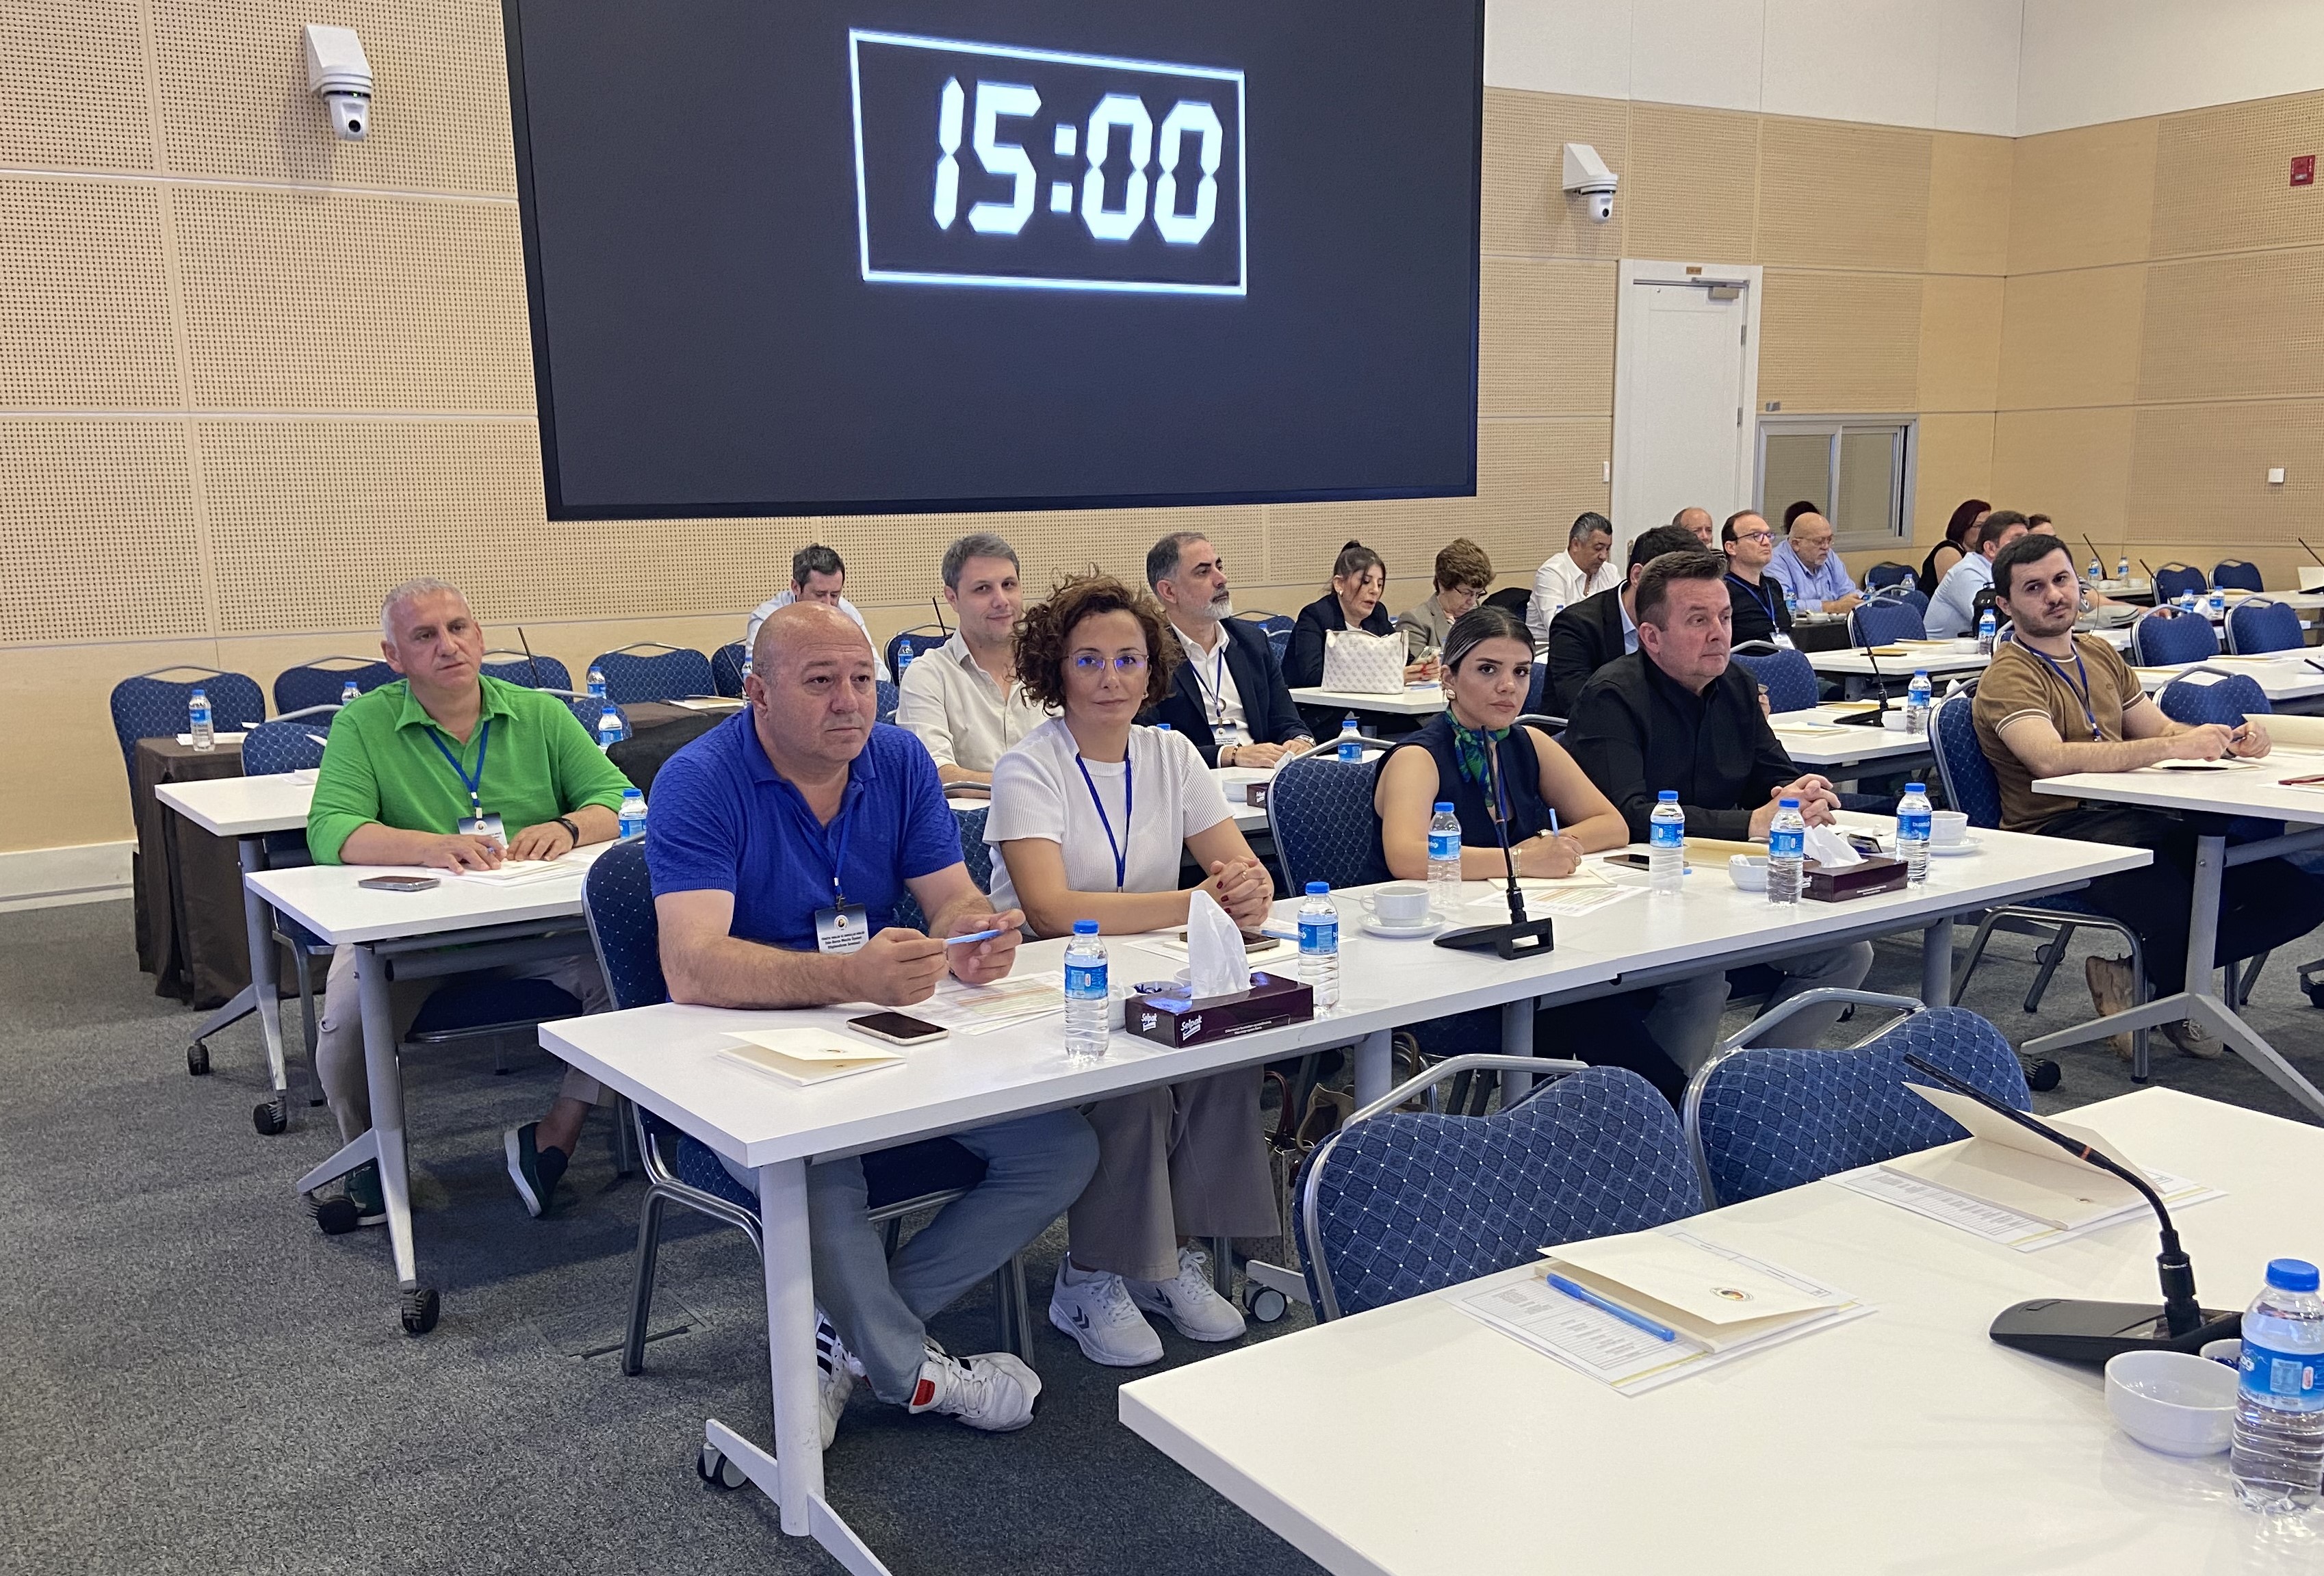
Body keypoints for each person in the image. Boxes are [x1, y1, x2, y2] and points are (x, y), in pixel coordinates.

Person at [646, 602, 1098, 1436]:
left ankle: (849, 1335)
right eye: (821, 681)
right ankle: (911, 1373)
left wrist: (971, 933)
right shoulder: (699, 780)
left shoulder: (897, 759)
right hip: (740, 1048)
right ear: (757, 692)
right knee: (815, 1167)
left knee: (1062, 1148)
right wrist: (847, 974)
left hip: (883, 1027)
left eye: (862, 679)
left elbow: (950, 895)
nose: (850, 701)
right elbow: (692, 964)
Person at [985, 573, 1280, 1368]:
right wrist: (1193, 901)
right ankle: (1088, 1276)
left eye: (1128, 659)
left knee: (1225, 1052)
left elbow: (1238, 868)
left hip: (1148, 973)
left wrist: (1248, 888)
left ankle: (1168, 1255)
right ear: (1056, 668)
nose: (1111, 677)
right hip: (1049, 991)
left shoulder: (1171, 753)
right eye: (1089, 660)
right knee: (1136, 1079)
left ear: (1153, 670)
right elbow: (1051, 909)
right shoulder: (1028, 766)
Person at [305, 580, 630, 1226]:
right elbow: (331, 830)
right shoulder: (363, 725)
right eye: (424, 635)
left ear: (480, 638)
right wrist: (428, 846)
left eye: (458, 628)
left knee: (628, 986)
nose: (447, 646)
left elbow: (617, 799)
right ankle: (370, 1159)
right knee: (345, 1034)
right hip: (409, 937)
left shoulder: (539, 714)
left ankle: (553, 1137)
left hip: (530, 931)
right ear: (394, 656)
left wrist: (568, 827)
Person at [1972, 534, 2324, 1059]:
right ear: (2005, 604)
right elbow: (2048, 758)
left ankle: (2140, 979)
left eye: (2061, 580)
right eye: (2034, 588)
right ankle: (2169, 990)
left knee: (2296, 893)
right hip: (2057, 833)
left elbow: (2158, 728)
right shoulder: (2009, 675)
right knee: (2181, 904)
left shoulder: (2097, 653)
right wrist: (2169, 746)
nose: (2055, 595)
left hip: (2133, 817)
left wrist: (2222, 741)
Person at [1564, 551, 1874, 1072]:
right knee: (1700, 975)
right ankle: (1668, 1106)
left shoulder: (1735, 684)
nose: (1719, 633)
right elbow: (1628, 815)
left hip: (1721, 886)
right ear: (1651, 636)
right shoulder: (1612, 696)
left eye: (1725, 617)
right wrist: (1752, 822)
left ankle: (1745, 1084)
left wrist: (1799, 795)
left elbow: (1773, 774)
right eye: (1698, 620)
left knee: (1846, 953)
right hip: (1639, 893)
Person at [1367, 606, 1692, 1099]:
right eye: (1488, 669)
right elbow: (1407, 856)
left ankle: (1649, 1113)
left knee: (1639, 986)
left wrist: (1557, 847)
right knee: (1589, 1007)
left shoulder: (1528, 743)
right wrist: (1522, 861)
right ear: (1449, 679)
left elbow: (1611, 824)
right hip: (1438, 955)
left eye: (1520, 672)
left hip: (1522, 938)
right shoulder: (1419, 756)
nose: (1508, 686)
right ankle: (1675, 1108)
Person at [1143, 531, 1314, 768]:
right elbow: (1149, 748)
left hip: (1262, 774)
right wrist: (1229, 755)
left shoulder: (1252, 643)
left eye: (1219, 566)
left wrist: (1300, 741)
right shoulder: (1148, 654)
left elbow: (1288, 721)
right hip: (1194, 779)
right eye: (1203, 572)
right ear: (1169, 592)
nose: (1221, 579)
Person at [894, 532, 1046, 784]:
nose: (1001, 601)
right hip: (976, 813)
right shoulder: (928, 676)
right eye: (983, 589)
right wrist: (1026, 786)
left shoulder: (1051, 667)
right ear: (952, 598)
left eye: (1009, 585)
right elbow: (936, 773)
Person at [1541, 523, 1699, 717]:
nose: (1689, 601)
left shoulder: (1686, 623)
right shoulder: (1575, 626)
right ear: (1638, 576)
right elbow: (1584, 707)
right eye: (1680, 589)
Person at [1282, 541, 1433, 691]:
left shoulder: (1377, 614)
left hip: (1368, 704)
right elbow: (1312, 677)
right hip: (1314, 705)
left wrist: (1421, 668)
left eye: (1380, 584)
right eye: (1366, 582)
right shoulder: (1315, 617)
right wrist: (1390, 676)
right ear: (1339, 584)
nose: (1375, 590)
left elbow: (1403, 660)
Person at [745, 544, 891, 680]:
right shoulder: (767, 618)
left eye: (835, 595)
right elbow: (756, 676)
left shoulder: (847, 613)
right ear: (796, 587)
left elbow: (878, 671)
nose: (827, 604)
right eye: (819, 594)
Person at [1927, 510, 2030, 638]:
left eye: (2027, 540)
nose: (2026, 547)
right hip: (1944, 648)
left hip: (1980, 646)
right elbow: (1989, 619)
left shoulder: (2008, 571)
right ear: (1991, 548)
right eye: (2017, 541)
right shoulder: (1967, 572)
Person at [1397, 537, 1495, 662]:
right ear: (1442, 585)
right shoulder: (1416, 621)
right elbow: (1418, 669)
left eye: (1478, 594)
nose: (1472, 601)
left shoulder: (1480, 616)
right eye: (1466, 593)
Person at [1527, 513, 1618, 647]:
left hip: (1597, 649)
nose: (1604, 556)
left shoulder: (1610, 572)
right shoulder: (1551, 573)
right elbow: (1559, 629)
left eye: (1608, 549)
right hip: (1549, 650)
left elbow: (1621, 618)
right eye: (1598, 549)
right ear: (1576, 544)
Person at [1767, 511, 1863, 618]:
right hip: (1797, 627)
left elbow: (1848, 592)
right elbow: (1782, 605)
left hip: (1834, 625)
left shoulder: (1829, 555)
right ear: (1796, 544)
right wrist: (1833, 607)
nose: (1826, 547)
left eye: (1829, 540)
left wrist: (1863, 601)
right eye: (1819, 541)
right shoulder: (1775, 562)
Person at [1721, 510, 1792, 646]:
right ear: (1731, 548)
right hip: (1746, 659)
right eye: (1756, 536)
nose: (1766, 542)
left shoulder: (1773, 586)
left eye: (1768, 535)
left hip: (1785, 656)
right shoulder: (1725, 591)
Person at [1917, 498, 1990, 596]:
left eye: (1989, 526)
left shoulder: (1981, 553)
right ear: (1963, 527)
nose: (1986, 531)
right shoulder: (1949, 552)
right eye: (1979, 526)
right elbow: (1957, 593)